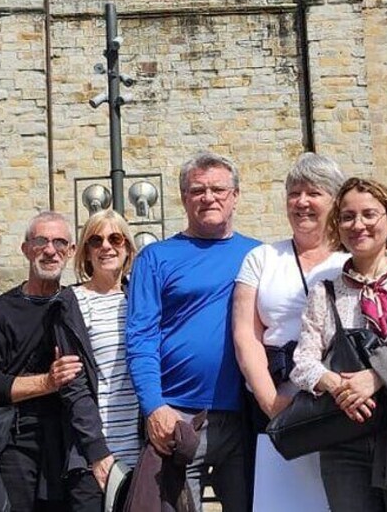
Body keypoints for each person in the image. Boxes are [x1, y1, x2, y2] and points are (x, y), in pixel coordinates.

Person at [290, 177, 387, 511]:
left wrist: (376, 378)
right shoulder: (324, 290)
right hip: (344, 438)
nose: (358, 224)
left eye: (369, 214)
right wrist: (339, 387)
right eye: (347, 217)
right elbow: (302, 362)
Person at [126, 151, 260, 511]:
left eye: (218, 189)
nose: (208, 197)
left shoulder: (259, 256)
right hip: (178, 417)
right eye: (198, 190)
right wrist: (154, 406)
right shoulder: (156, 257)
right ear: (184, 198)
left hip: (245, 417)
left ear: (235, 195)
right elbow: (141, 338)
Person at [232, 153, 346, 510]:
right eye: (294, 193)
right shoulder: (262, 258)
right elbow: (246, 335)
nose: (301, 202)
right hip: (275, 402)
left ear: (335, 200)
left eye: (313, 193)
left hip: (340, 404)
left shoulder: (351, 259)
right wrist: (270, 402)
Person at [0, 211, 83, 510]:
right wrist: (47, 382)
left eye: (60, 242)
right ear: (25, 249)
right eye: (41, 241)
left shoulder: (77, 306)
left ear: (71, 251)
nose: (50, 250)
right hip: (16, 444)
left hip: (69, 442)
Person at [49, 209, 141, 511]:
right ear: (86, 252)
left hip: (142, 451)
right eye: (96, 240)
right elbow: (73, 385)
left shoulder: (140, 298)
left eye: (115, 238)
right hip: (93, 456)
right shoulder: (71, 304)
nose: (106, 246)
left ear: (127, 247)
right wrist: (97, 452)